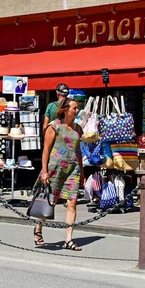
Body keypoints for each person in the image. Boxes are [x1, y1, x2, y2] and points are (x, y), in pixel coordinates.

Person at [33, 98, 84, 250]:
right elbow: (46, 150)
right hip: (55, 168)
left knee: (72, 203)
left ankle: (68, 239)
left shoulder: (78, 128)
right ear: (65, 110)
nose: (77, 111)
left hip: (72, 169)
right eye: (74, 108)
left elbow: (78, 151)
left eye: (77, 108)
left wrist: (82, 171)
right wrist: (44, 171)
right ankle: (38, 229)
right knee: (51, 201)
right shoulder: (54, 126)